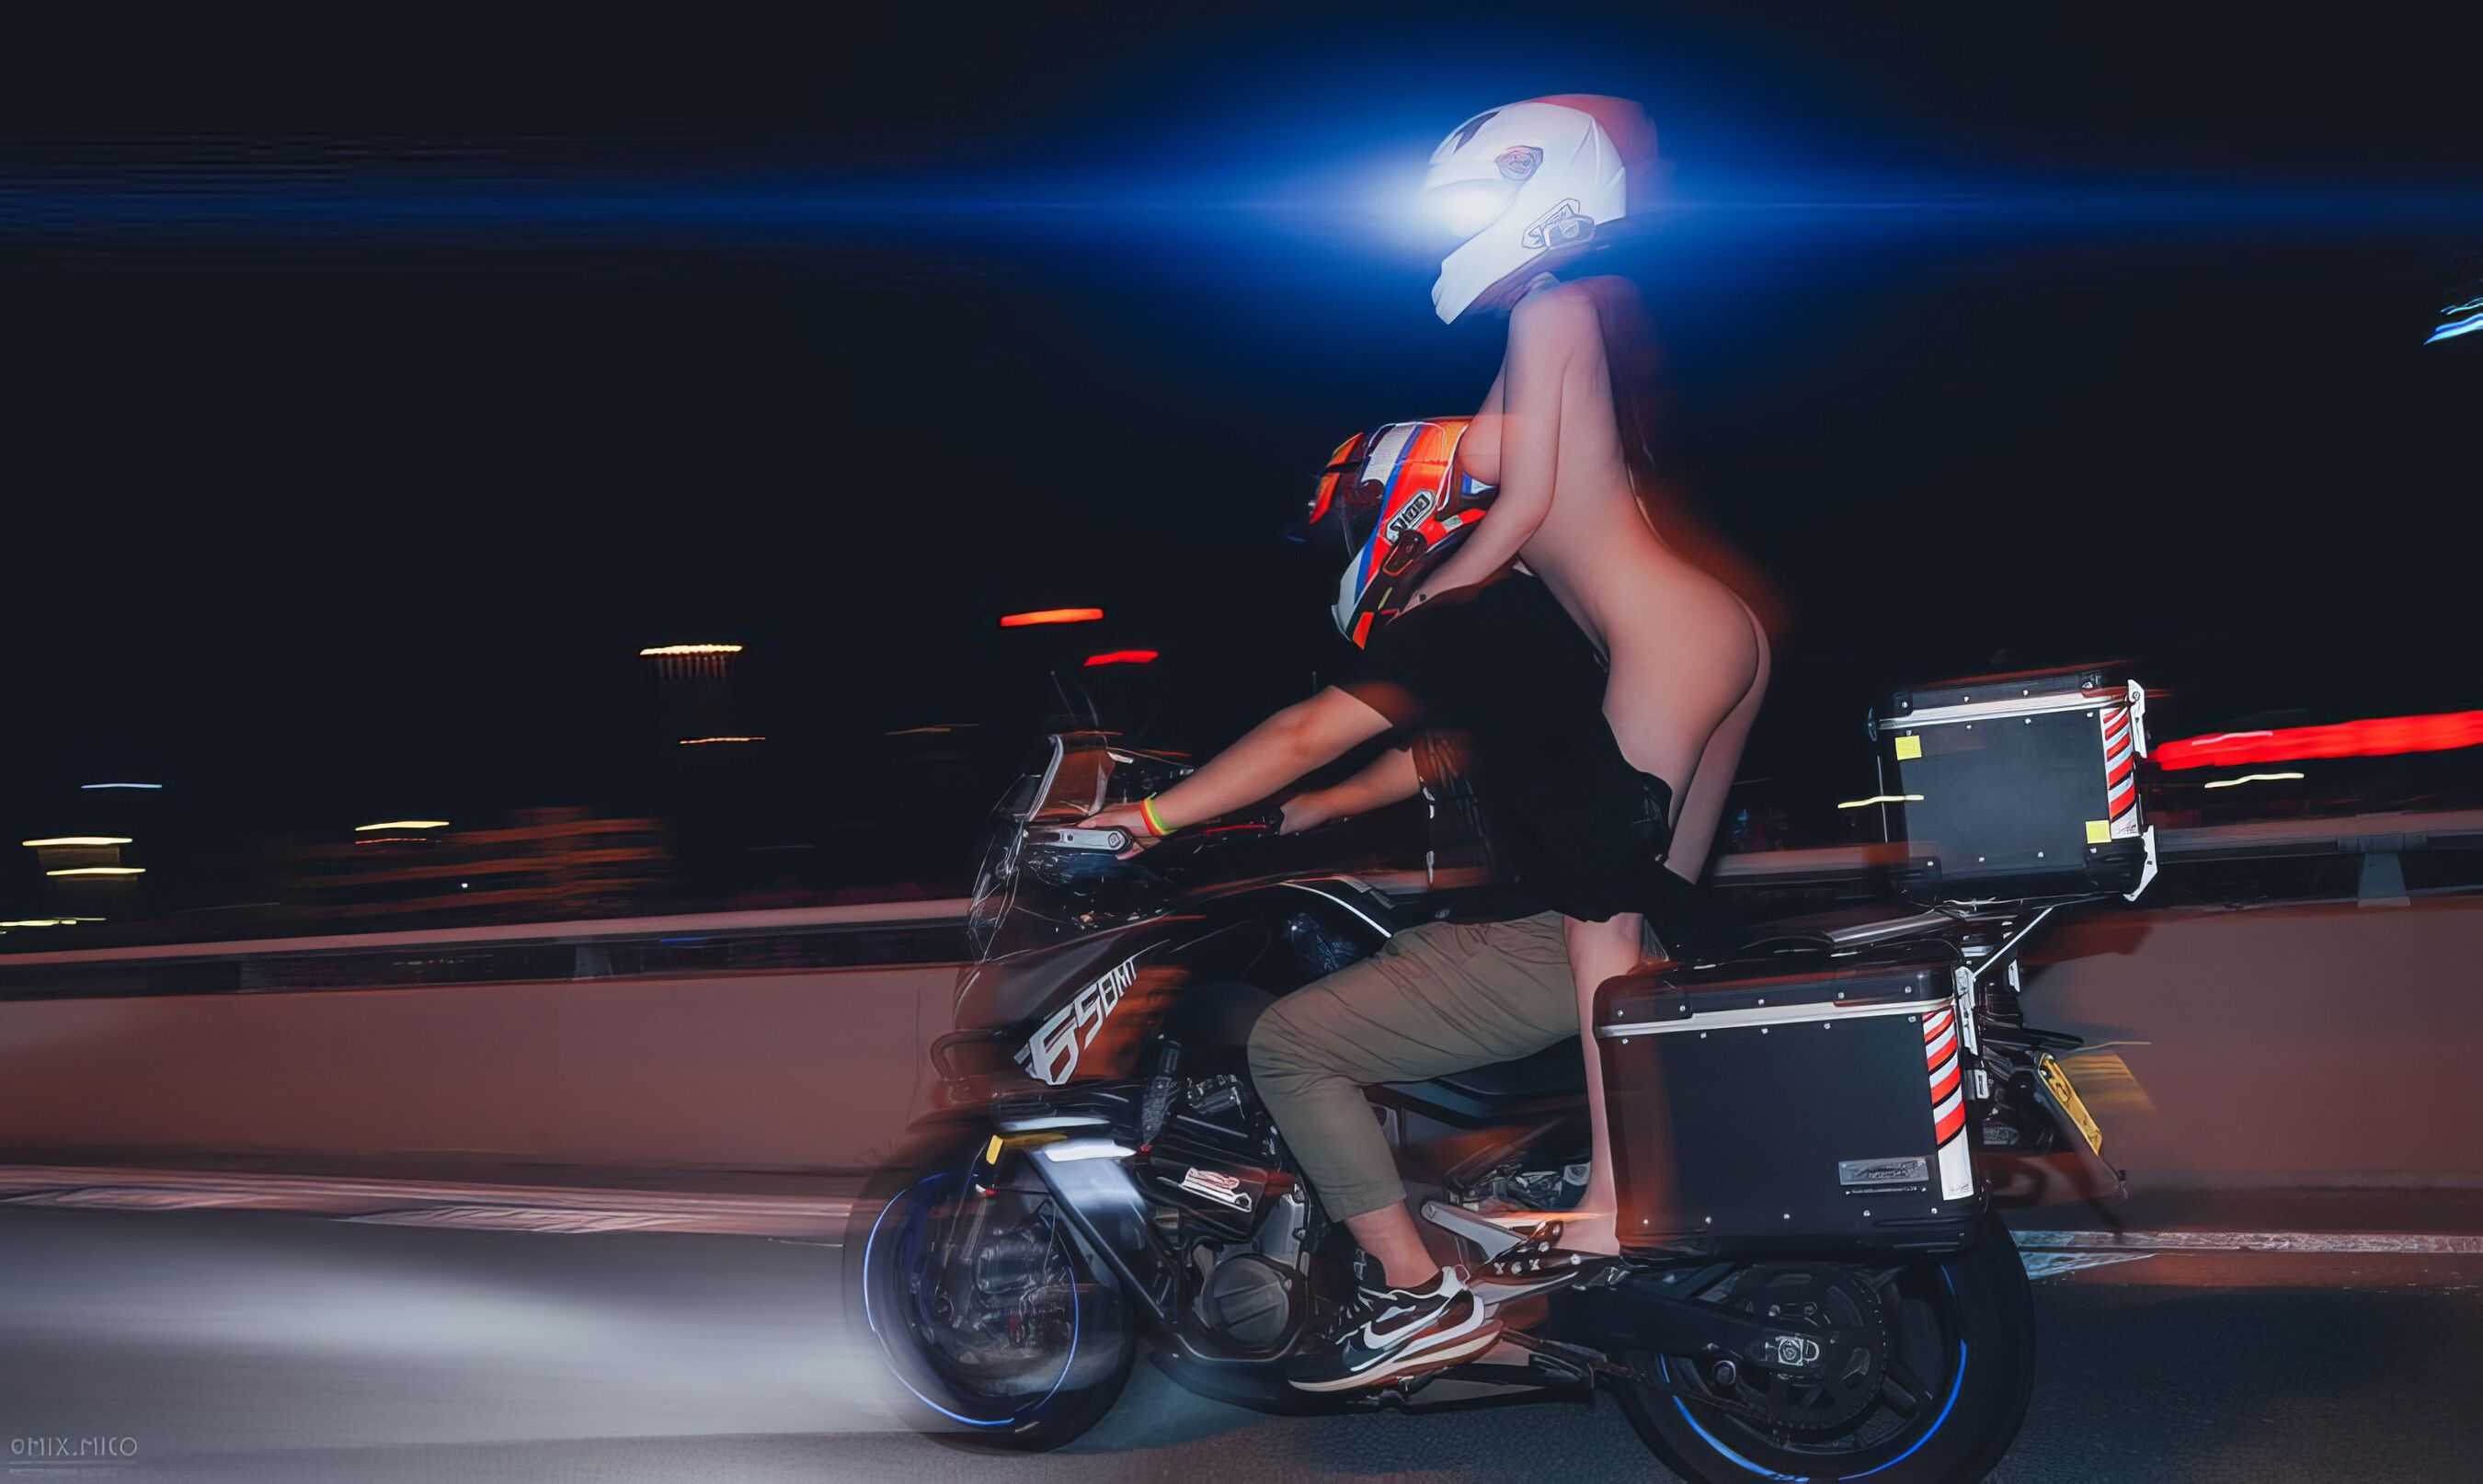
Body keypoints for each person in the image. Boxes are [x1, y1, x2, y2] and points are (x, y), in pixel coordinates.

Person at [1082, 97, 1769, 1393]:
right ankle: (1623, 1186)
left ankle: (1618, 1197)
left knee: (1600, 923)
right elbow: (1489, 469)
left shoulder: (1550, 304)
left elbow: (1523, 496)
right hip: (1702, 627)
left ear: (1540, 185)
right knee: (1648, 901)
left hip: (1664, 632)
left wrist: (1440, 598)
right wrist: (1316, 801)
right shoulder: (1550, 329)